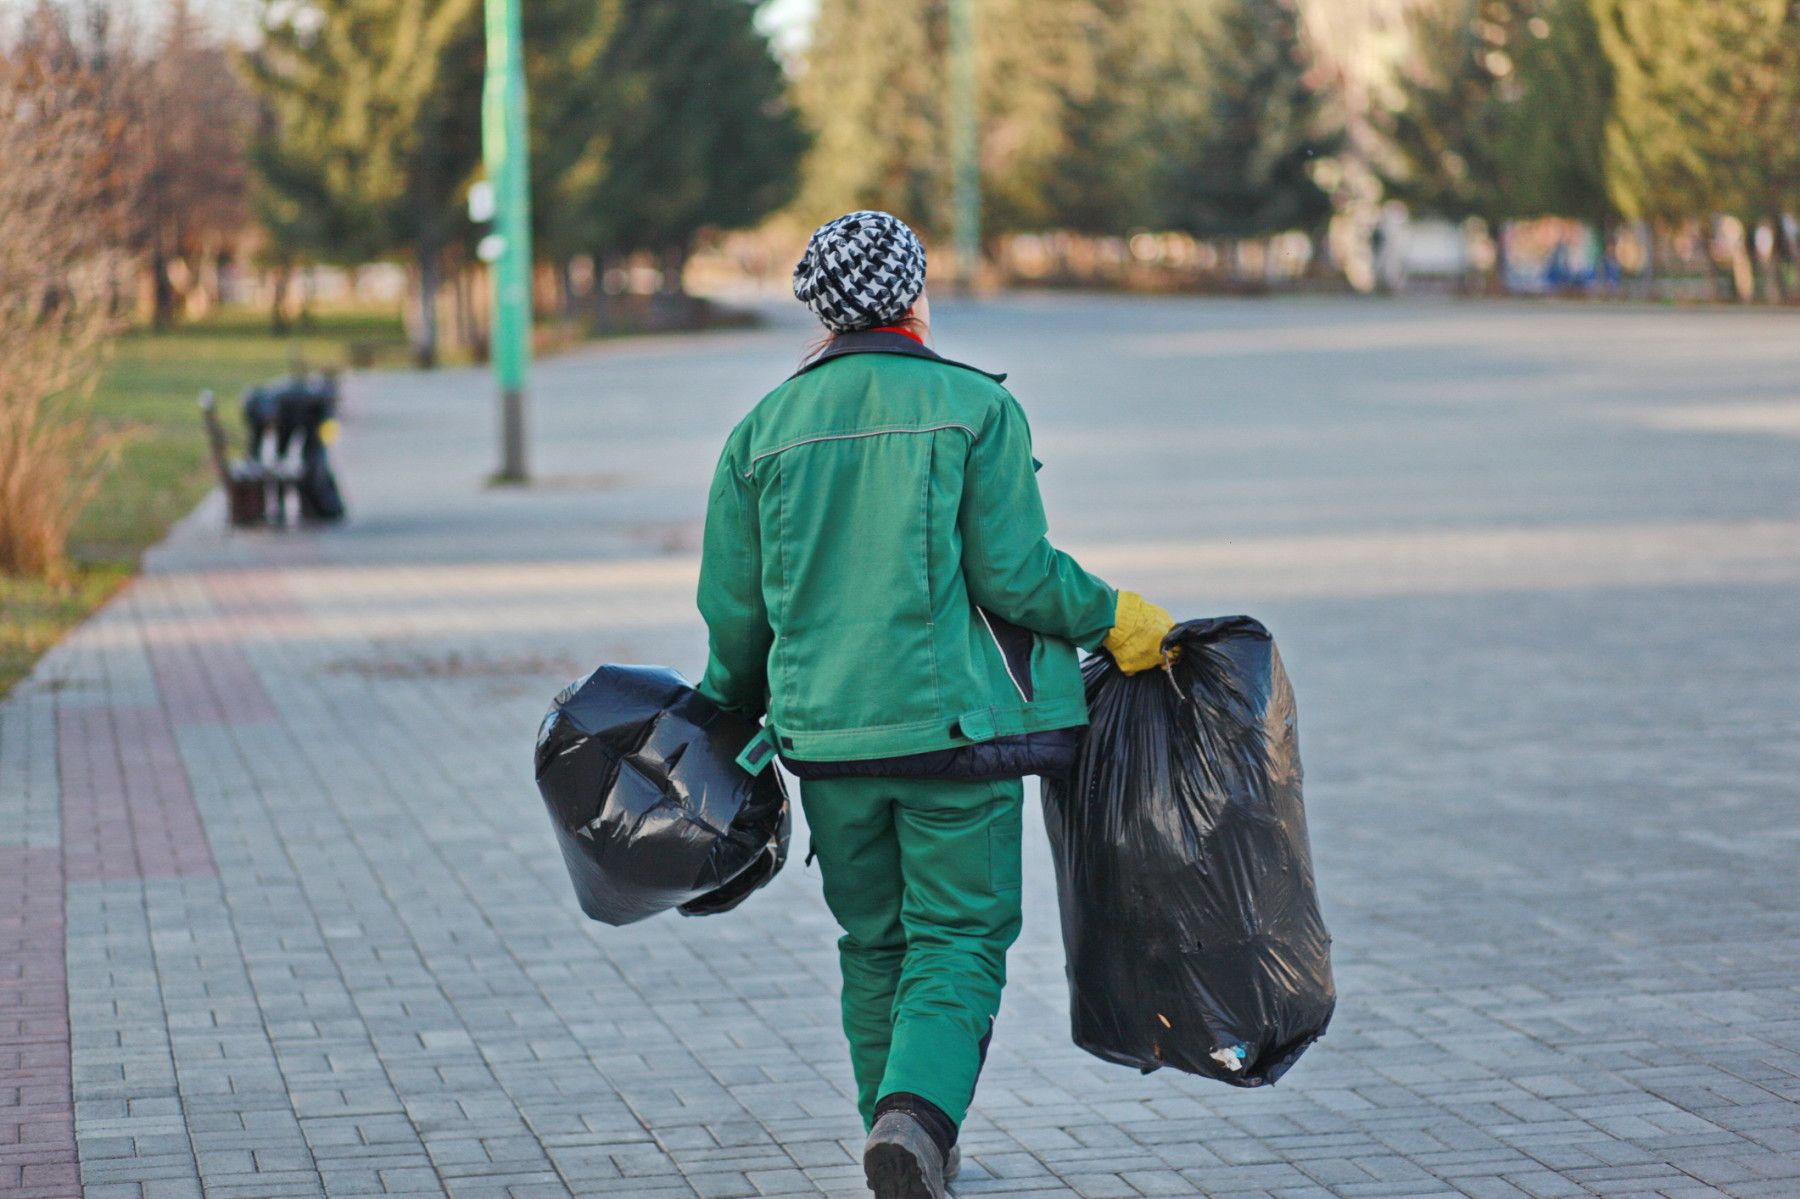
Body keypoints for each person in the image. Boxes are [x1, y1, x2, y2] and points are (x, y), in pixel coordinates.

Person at [695, 210, 1174, 1199]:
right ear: (913, 295)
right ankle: (915, 1119)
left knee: (873, 941)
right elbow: (1017, 575)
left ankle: (901, 1135)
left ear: (822, 309)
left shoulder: (760, 433)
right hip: (958, 734)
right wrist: (1114, 615)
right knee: (958, 936)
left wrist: (722, 715)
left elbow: (736, 618)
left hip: (825, 743)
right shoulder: (973, 408)